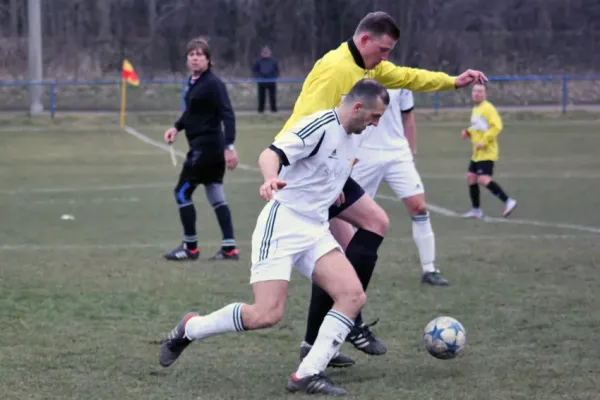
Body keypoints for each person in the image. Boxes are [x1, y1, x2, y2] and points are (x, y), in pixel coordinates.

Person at [159, 79, 390, 396]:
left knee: (352, 296)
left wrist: (334, 188)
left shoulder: (355, 134)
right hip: (283, 224)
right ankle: (191, 328)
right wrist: (270, 179)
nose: (376, 124)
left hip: (314, 229)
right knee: (266, 314)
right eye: (375, 116)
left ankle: (307, 375)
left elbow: (331, 165)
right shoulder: (319, 125)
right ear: (359, 107)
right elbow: (272, 153)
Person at [289, 11, 488, 367]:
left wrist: (453, 82)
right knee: (354, 243)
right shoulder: (337, 71)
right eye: (382, 50)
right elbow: (306, 125)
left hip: (325, 171)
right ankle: (349, 322)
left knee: (359, 238)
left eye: (389, 51)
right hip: (307, 172)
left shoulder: (367, 67)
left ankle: (318, 340)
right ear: (364, 40)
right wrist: (327, 178)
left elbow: (408, 77)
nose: (385, 58)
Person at [349, 89, 449, 286]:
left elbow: (408, 115)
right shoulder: (356, 74)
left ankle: (429, 270)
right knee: (350, 213)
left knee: (419, 206)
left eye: (386, 54)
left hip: (397, 153)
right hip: (364, 153)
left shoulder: (400, 79)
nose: (383, 56)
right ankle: (344, 269)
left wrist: (411, 151)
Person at [162, 38, 240, 262]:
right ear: (187, 59)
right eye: (191, 54)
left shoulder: (213, 84)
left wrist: (230, 147)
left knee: (181, 192)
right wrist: (176, 127)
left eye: (200, 54)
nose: (195, 58)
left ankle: (191, 247)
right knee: (215, 194)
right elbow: (192, 113)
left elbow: (228, 115)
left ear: (208, 59)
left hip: (206, 149)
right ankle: (229, 247)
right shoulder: (194, 82)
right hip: (206, 149)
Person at [461, 83, 517, 219]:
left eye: (480, 92)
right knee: (471, 177)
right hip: (477, 152)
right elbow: (478, 127)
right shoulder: (476, 109)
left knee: (483, 179)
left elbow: (497, 127)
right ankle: (476, 210)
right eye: (474, 91)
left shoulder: (488, 108)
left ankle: (508, 201)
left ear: (485, 94)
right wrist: (468, 132)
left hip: (487, 151)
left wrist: (484, 141)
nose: (476, 94)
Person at [253, 46, 279, 113]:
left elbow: (276, 70)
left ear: (269, 53)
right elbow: (255, 70)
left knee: (272, 96)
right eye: (264, 53)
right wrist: (258, 78)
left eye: (267, 52)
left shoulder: (273, 61)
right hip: (261, 81)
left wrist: (273, 78)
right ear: (262, 53)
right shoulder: (258, 61)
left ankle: (273, 110)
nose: (265, 54)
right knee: (261, 96)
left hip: (271, 81)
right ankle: (260, 110)